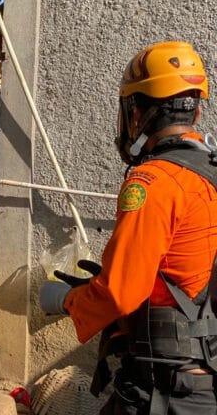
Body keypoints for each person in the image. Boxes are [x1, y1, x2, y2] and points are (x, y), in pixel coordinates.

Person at [39, 41, 217, 414]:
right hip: (200, 377)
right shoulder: (208, 178)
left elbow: (119, 294)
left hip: (164, 386)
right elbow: (185, 268)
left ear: (137, 113)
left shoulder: (153, 182)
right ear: (196, 110)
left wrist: (68, 301)